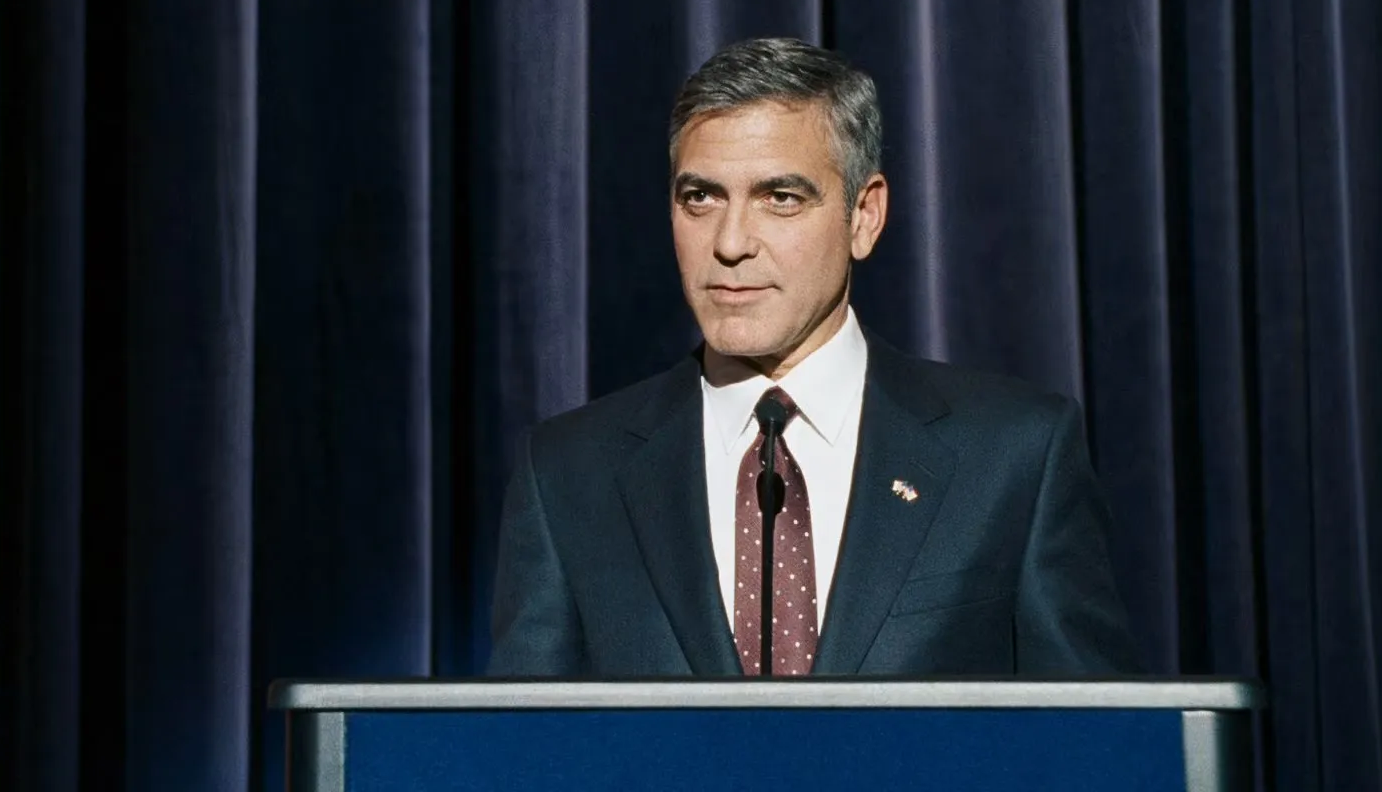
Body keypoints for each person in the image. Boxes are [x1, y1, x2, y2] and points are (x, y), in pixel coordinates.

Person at [485, 37, 1142, 677]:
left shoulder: (1014, 456)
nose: (731, 243)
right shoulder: (568, 474)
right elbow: (524, 740)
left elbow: (1093, 732)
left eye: (781, 198)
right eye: (700, 198)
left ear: (864, 216)